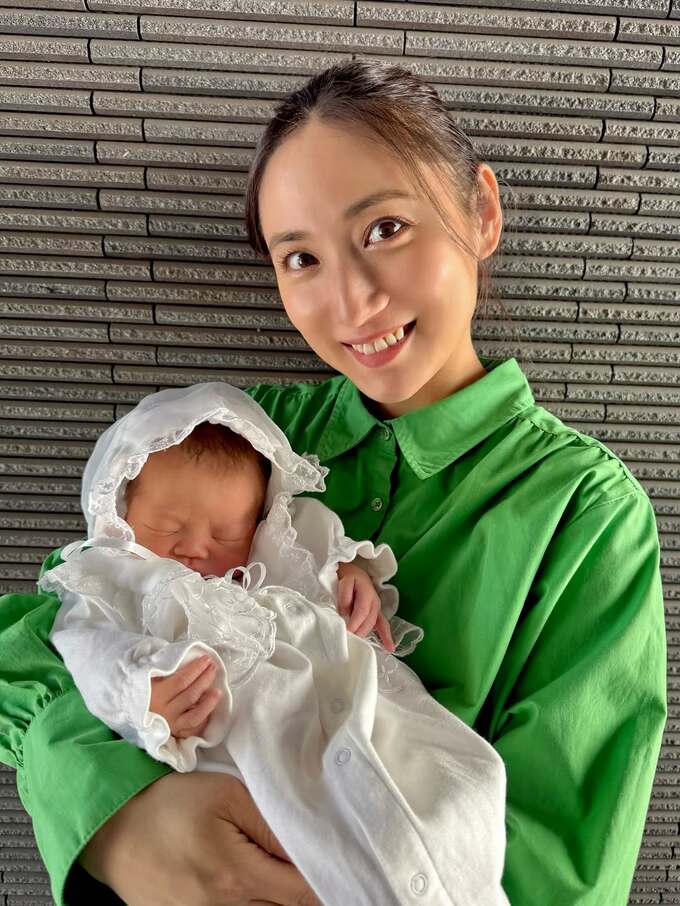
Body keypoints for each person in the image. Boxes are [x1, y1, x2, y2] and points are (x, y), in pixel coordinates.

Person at [0, 57, 667, 906]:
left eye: (386, 228)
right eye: (301, 257)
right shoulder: (232, 436)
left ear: (482, 211)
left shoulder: (586, 514)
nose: (352, 301)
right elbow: (53, 631)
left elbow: (565, 868)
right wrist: (119, 821)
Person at [37, 380, 509, 906]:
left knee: (462, 789)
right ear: (121, 512)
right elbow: (87, 647)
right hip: (251, 751)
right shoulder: (113, 579)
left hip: (360, 711)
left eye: (225, 534)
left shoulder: (278, 551)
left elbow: (317, 544)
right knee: (317, 846)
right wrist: (142, 694)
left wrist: (350, 574)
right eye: (167, 528)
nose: (195, 549)